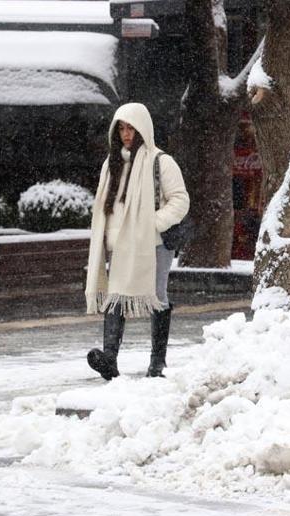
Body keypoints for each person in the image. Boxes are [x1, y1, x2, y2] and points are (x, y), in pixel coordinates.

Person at [84, 102, 189, 380]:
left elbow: (180, 199)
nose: (126, 134)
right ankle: (110, 359)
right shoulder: (112, 163)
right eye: (121, 128)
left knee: (156, 295)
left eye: (131, 128)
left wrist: (152, 224)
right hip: (120, 244)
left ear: (143, 128)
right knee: (116, 295)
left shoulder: (161, 162)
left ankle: (157, 363)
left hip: (152, 243)